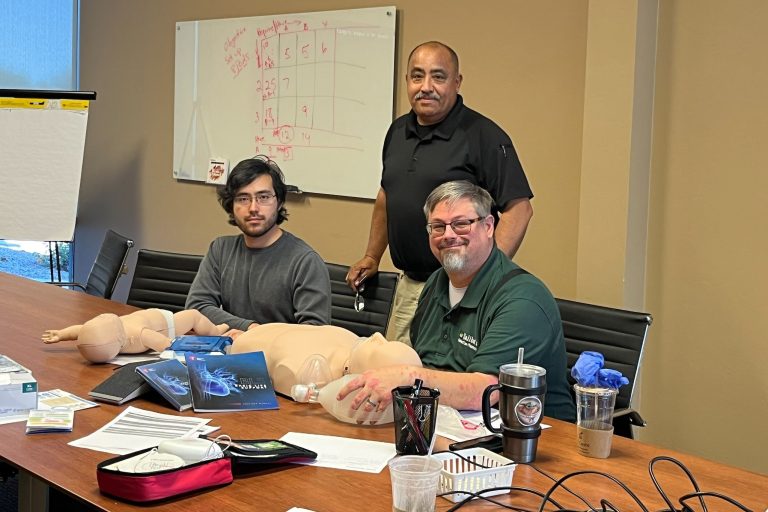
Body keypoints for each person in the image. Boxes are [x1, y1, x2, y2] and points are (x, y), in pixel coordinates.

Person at [346, 41, 534, 346]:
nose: (426, 87)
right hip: (410, 285)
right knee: (395, 369)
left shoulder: (484, 135)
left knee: (445, 373)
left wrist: (485, 275)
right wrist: (372, 255)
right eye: (417, 76)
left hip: (459, 292)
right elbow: (386, 195)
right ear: (407, 81)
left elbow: (519, 209)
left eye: (438, 76)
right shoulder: (397, 132)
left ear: (457, 82)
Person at [338, 181, 575, 421]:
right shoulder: (436, 282)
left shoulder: (523, 298)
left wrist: (408, 377)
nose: (448, 235)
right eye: (438, 226)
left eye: (461, 224)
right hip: (447, 422)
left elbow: (484, 391)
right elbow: (426, 362)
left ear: (489, 226)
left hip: (533, 434)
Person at [186, 156, 331, 335]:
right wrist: (250, 327)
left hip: (279, 352)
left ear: (279, 202)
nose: (253, 208)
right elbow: (197, 307)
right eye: (243, 198)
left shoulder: (305, 261)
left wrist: (257, 336)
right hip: (230, 349)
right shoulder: (220, 250)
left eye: (263, 197)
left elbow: (315, 332)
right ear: (231, 206)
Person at [228, 323, 422, 397]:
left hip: (255, 335)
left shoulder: (348, 338)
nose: (378, 337)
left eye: (378, 348)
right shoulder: (310, 372)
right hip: (244, 346)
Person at [41, 309, 229, 363]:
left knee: (194, 316)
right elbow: (81, 330)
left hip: (164, 321)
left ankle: (216, 330)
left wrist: (62, 334)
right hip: (158, 321)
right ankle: (216, 330)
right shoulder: (132, 334)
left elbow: (80, 330)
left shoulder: (132, 335)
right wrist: (62, 334)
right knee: (193, 315)